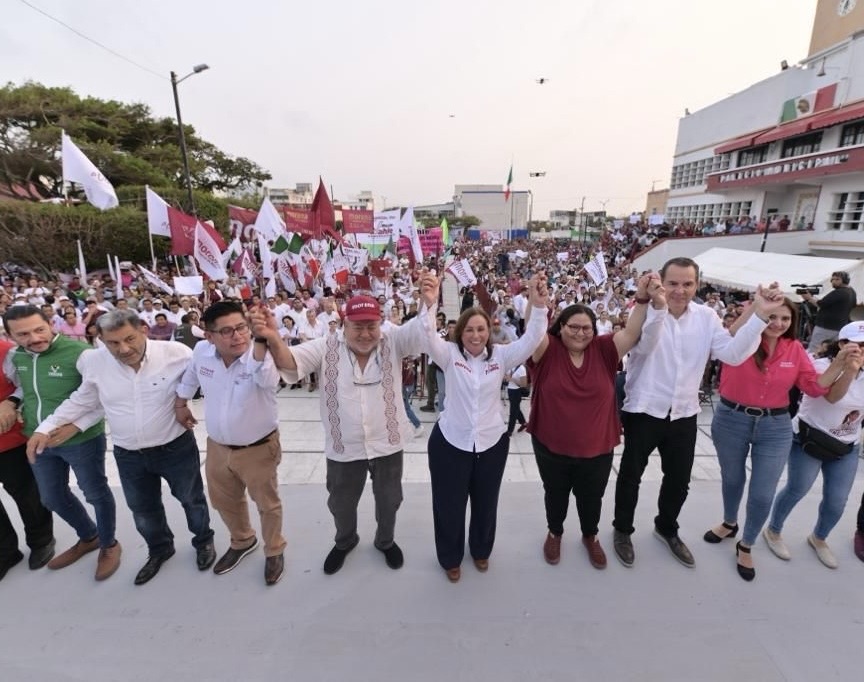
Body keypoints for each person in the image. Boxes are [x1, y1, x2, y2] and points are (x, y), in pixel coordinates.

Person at [612, 258, 785, 569]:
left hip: (684, 412)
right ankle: (622, 530)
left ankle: (666, 527)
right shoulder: (644, 314)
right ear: (661, 283)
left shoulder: (707, 318)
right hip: (644, 409)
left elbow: (731, 354)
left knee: (678, 481)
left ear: (697, 285)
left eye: (687, 284)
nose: (680, 290)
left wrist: (759, 315)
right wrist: (659, 307)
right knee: (630, 477)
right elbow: (646, 346)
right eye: (674, 283)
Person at [250, 290, 434, 576]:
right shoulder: (325, 346)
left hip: (387, 445)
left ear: (380, 324)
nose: (365, 334)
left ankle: (385, 540)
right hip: (343, 448)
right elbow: (289, 364)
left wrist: (429, 300)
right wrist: (272, 337)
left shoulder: (394, 341)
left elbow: (422, 330)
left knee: (390, 500)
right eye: (357, 326)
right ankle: (345, 541)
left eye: (371, 326)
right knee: (340, 503)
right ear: (343, 324)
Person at [26, 310, 216, 585]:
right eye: (113, 343)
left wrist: (184, 404)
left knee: (191, 499)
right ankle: (160, 549)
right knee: (142, 509)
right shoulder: (94, 363)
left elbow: (206, 378)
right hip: (128, 455)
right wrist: (45, 427)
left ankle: (203, 542)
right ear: (100, 339)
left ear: (143, 329)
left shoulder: (177, 353)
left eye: (129, 339)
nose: (124, 349)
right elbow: (83, 400)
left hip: (175, 448)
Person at [528, 274, 666, 569]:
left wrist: (642, 298)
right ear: (560, 327)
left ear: (595, 329)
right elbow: (532, 335)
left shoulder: (604, 349)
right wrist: (535, 303)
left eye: (586, 328)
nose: (580, 333)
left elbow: (631, 332)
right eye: (573, 327)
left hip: (598, 447)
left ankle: (590, 536)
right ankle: (555, 532)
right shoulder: (547, 350)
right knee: (555, 494)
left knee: (592, 497)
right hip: (550, 446)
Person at [704, 298, 847, 580]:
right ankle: (729, 522)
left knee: (762, 492)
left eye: (785, 319)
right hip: (731, 419)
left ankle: (746, 543)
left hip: (775, 426)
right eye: (772, 317)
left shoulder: (794, 349)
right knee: (732, 479)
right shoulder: (740, 341)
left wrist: (840, 363)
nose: (778, 324)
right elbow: (733, 331)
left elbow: (814, 387)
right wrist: (758, 305)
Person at [422, 272, 549, 583]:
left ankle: (480, 550)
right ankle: (450, 557)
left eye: (481, 329)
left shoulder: (502, 357)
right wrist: (427, 303)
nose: (475, 335)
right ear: (460, 332)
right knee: (448, 505)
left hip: (491, 443)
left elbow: (532, 339)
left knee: (485, 502)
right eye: (469, 330)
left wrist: (539, 304)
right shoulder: (448, 355)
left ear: (489, 331)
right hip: (450, 443)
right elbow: (426, 334)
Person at [2, 305, 121, 582]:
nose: (34, 338)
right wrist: (11, 402)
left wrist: (73, 426)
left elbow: (101, 397)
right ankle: (88, 536)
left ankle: (109, 544)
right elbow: (22, 389)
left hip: (80, 440)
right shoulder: (16, 356)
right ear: (10, 335)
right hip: (36, 439)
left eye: (39, 329)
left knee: (95, 493)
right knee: (51, 497)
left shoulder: (81, 354)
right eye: (23, 334)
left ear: (50, 324)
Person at [176, 301, 286, 586]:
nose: (237, 336)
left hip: (258, 448)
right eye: (226, 331)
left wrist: (263, 341)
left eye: (241, 328)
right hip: (217, 447)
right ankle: (242, 541)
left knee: (267, 504)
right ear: (208, 336)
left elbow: (268, 379)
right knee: (225, 501)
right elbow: (190, 377)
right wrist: (180, 404)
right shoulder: (201, 352)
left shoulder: (259, 356)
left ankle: (274, 549)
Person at [763, 321, 864, 569]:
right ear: (841, 344)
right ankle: (773, 530)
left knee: (837, 500)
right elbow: (831, 397)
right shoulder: (820, 366)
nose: (862, 350)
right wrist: (849, 370)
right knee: (798, 488)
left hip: (846, 445)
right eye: (858, 345)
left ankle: (819, 538)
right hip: (810, 438)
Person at [0, 339, 55, 581]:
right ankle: (5, 551)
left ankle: (41, 540)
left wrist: (11, 401)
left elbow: (29, 384)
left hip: (6, 438)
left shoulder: (7, 352)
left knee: (25, 492)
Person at [802, 271, 857, 352]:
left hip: (826, 326)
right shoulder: (851, 291)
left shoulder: (839, 292)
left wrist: (809, 297)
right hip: (839, 326)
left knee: (815, 348)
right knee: (831, 350)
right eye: (832, 279)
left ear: (844, 280)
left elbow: (821, 304)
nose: (833, 281)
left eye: (837, 279)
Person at [505, 364, 528, 437]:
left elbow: (524, 384)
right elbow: (506, 377)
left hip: (517, 392)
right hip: (510, 390)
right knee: (516, 408)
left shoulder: (521, 369)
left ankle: (509, 431)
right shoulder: (511, 366)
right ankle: (524, 423)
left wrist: (512, 379)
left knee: (513, 411)